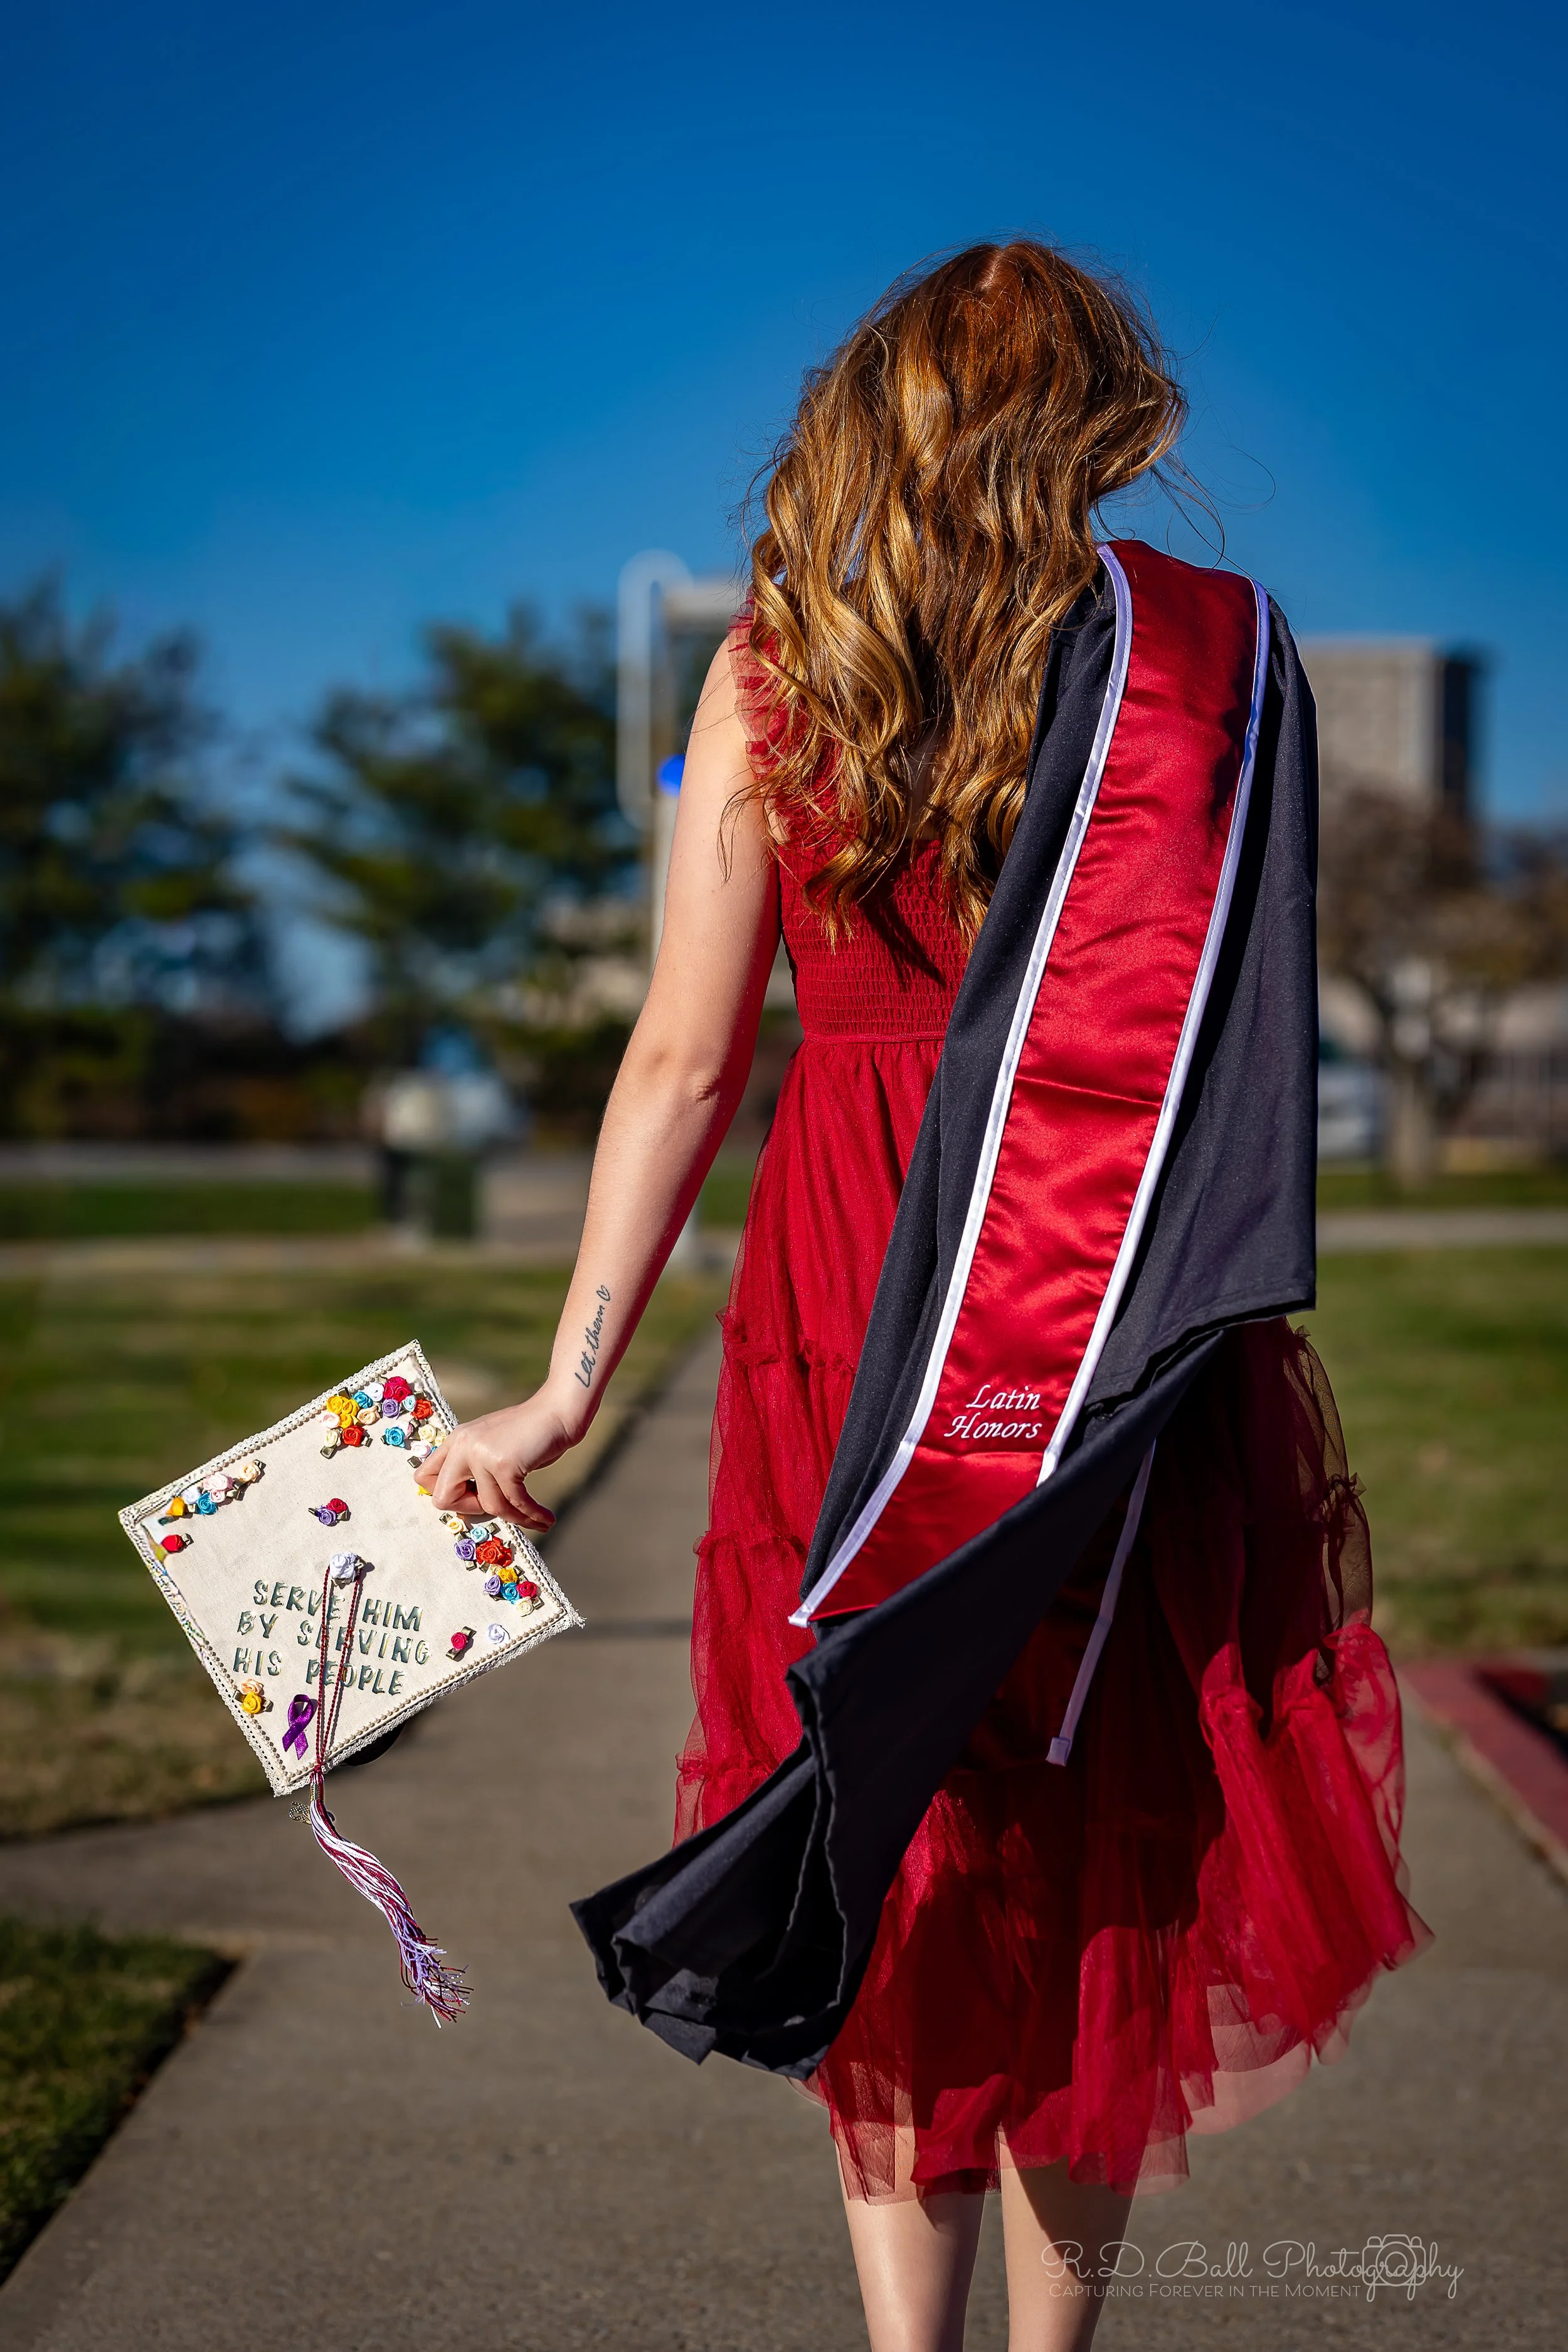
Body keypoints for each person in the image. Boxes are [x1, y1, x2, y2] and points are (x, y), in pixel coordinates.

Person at [420, 242, 1428, 2352]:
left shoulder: (777, 674)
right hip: (1115, 1304)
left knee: (904, 1811)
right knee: (1090, 1835)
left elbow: (683, 1060)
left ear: (865, 415)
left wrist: (564, 1387)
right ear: (1113, 420)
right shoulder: (1216, 666)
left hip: (858, 1287)